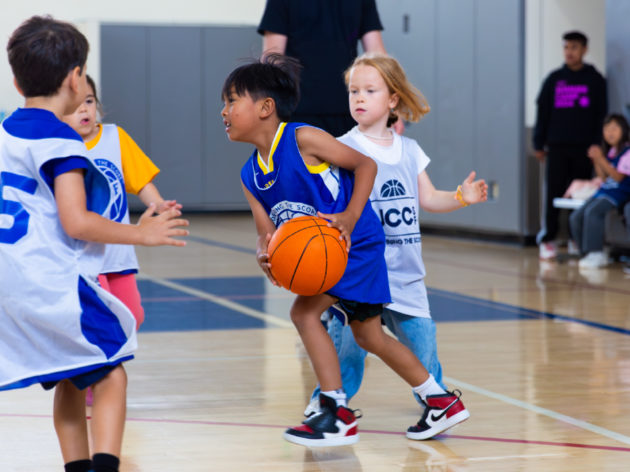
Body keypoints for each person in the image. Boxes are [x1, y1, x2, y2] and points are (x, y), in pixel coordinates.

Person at [221, 54, 469, 447]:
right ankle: (439, 400)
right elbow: (265, 232)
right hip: (335, 250)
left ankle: (335, 412)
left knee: (303, 313)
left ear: (265, 108)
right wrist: (265, 254)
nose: (225, 111)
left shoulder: (303, 139)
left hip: (356, 243)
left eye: (232, 100)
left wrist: (350, 217)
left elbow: (366, 166)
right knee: (370, 336)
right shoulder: (250, 175)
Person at [0, 16, 189, 472]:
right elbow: (77, 221)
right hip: (55, 285)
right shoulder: (62, 139)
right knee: (112, 370)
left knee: (71, 376)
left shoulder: (4, 132)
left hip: (13, 287)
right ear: (75, 77)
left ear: (15, 80)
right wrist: (143, 234)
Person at [305, 53, 487, 419]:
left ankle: (437, 407)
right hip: (360, 273)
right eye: (353, 90)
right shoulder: (343, 148)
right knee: (349, 352)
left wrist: (459, 197)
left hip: (406, 275)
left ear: (392, 100)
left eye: (369, 90)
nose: (359, 97)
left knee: (424, 351)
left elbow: (429, 199)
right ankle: (326, 405)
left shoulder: (410, 150)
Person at [63, 75, 181, 329]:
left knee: (132, 317)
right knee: (104, 320)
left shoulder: (114, 137)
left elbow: (141, 183)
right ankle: (104, 368)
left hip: (119, 253)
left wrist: (159, 206)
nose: (84, 109)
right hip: (83, 257)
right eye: (74, 105)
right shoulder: (59, 147)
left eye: (89, 101)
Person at [257, 0, 386, 138]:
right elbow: (273, 60)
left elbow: (377, 56)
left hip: (349, 108)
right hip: (298, 109)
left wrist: (389, 109)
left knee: (347, 159)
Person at [533, 30, 607, 260]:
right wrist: (538, 141)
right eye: (566, 47)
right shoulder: (554, 79)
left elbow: (600, 115)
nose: (569, 52)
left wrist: (597, 145)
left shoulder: (595, 79)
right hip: (557, 146)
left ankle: (576, 238)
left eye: (574, 47)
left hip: (584, 148)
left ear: (584, 50)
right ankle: (548, 239)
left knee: (580, 195)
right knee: (554, 194)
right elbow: (543, 112)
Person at [569, 113, 630, 268]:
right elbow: (603, 178)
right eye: (607, 129)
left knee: (593, 212)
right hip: (604, 191)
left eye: (614, 128)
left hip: (618, 193)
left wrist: (601, 159)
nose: (610, 132)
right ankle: (587, 253)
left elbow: (618, 177)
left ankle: (596, 253)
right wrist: (597, 159)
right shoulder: (610, 152)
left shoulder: (627, 152)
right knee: (576, 216)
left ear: (624, 130)